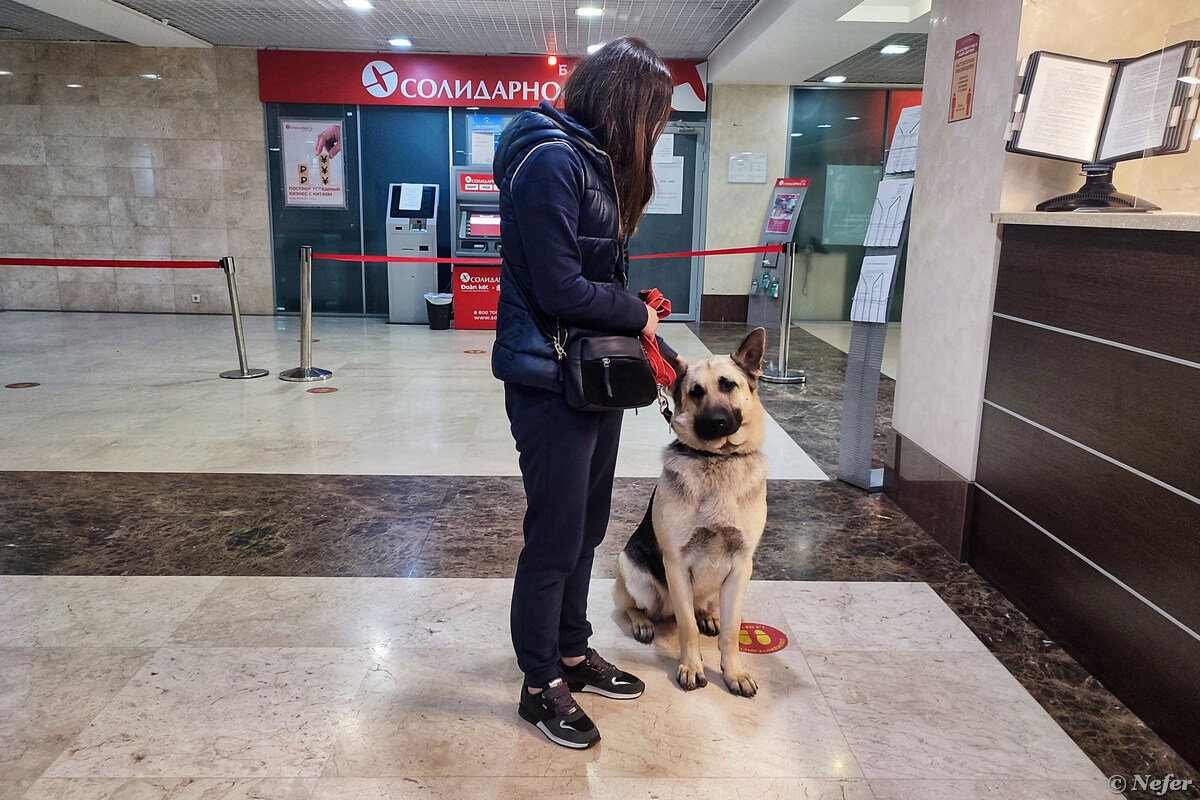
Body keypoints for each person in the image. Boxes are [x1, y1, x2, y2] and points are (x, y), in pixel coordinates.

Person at [491, 37, 675, 750]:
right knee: (555, 536)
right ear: (625, 103)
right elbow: (558, 285)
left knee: (587, 529)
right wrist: (638, 314)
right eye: (654, 114)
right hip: (548, 380)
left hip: (589, 374)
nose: (655, 129)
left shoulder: (589, 158)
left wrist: (630, 313)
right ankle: (539, 686)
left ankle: (571, 651)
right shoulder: (550, 160)